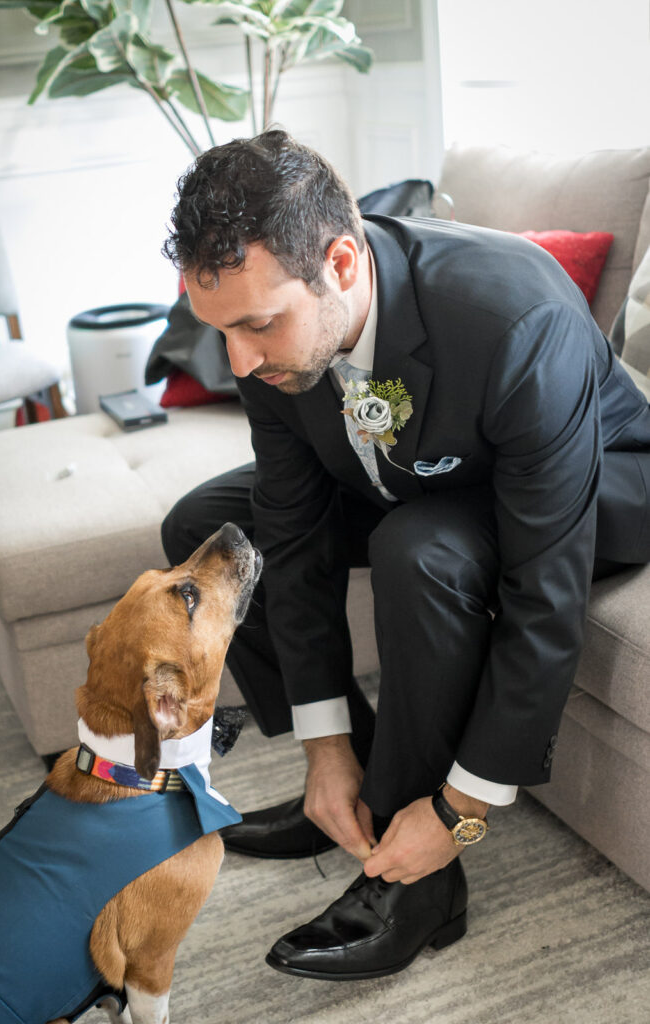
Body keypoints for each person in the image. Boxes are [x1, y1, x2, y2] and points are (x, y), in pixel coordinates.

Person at [161, 129, 650, 981]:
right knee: (211, 532)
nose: (238, 360)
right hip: (418, 469)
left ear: (341, 265)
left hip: (592, 484)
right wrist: (325, 746)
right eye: (222, 331)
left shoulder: (514, 320)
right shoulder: (266, 329)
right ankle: (347, 787)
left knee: (416, 549)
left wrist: (458, 809)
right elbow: (293, 526)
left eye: (257, 327)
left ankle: (417, 879)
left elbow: (545, 590)